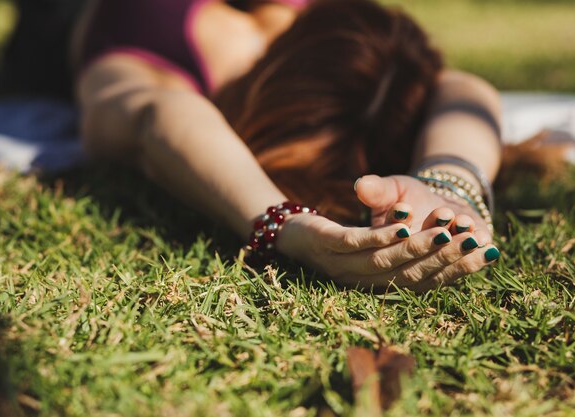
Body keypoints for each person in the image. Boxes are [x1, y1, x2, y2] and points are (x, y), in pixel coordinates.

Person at [71, 0, 502, 291]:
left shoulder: (349, 39)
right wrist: (286, 225)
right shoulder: (141, 49)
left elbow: (460, 88)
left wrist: (451, 185)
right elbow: (161, 116)